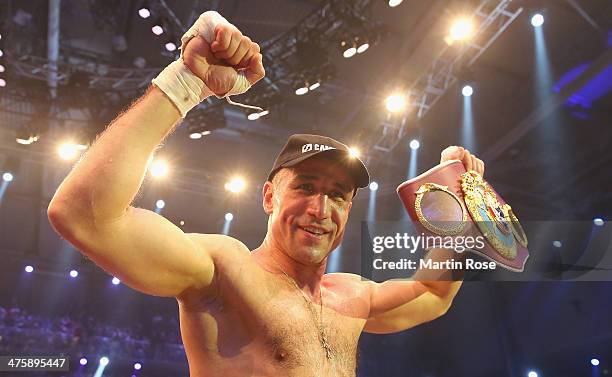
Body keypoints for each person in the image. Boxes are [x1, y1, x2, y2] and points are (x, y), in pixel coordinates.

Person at [48, 12, 485, 377]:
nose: (320, 209)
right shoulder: (224, 271)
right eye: (306, 187)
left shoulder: (351, 297)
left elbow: (433, 293)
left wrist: (455, 207)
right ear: (269, 196)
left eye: (338, 195)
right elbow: (84, 216)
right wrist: (187, 82)